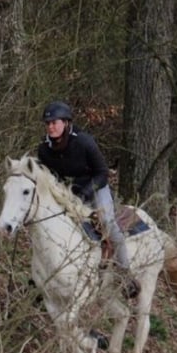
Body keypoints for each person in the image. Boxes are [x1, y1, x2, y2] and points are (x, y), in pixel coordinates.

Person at [36, 100, 140, 297]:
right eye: (47, 123)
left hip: (95, 187)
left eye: (54, 122)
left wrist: (86, 192)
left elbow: (102, 172)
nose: (50, 126)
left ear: (66, 123)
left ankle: (126, 274)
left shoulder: (84, 142)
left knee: (108, 223)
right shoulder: (44, 149)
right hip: (68, 192)